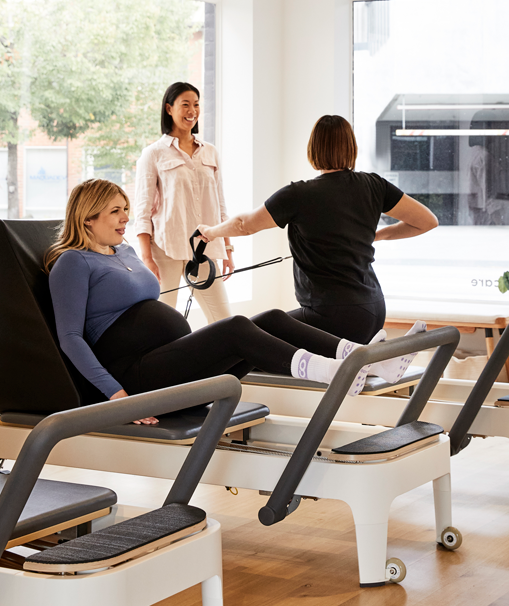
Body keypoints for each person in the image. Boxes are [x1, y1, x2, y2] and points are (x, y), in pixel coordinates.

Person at [46, 179, 420, 424]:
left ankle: (362, 359)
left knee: (270, 317)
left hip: (168, 362)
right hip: (139, 379)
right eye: (116, 211)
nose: (126, 218)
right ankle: (334, 372)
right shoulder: (72, 263)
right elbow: (71, 339)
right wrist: (117, 397)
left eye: (126, 209)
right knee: (238, 329)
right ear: (88, 216)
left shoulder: (121, 251)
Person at [198, 115, 438, 341]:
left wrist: (210, 232)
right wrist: (377, 236)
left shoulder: (299, 194)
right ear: (350, 147)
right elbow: (427, 221)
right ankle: (369, 364)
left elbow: (244, 225)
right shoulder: (374, 185)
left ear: (313, 149)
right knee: (267, 332)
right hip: (374, 309)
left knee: (241, 336)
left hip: (331, 315)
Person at [134, 81, 233, 324]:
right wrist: (146, 258)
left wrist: (228, 248)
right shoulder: (153, 153)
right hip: (164, 248)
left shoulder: (210, 152)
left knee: (223, 320)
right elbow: (143, 210)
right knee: (162, 324)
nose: (192, 111)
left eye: (196, 105)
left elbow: (220, 205)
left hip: (203, 248)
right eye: (185, 104)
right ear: (169, 109)